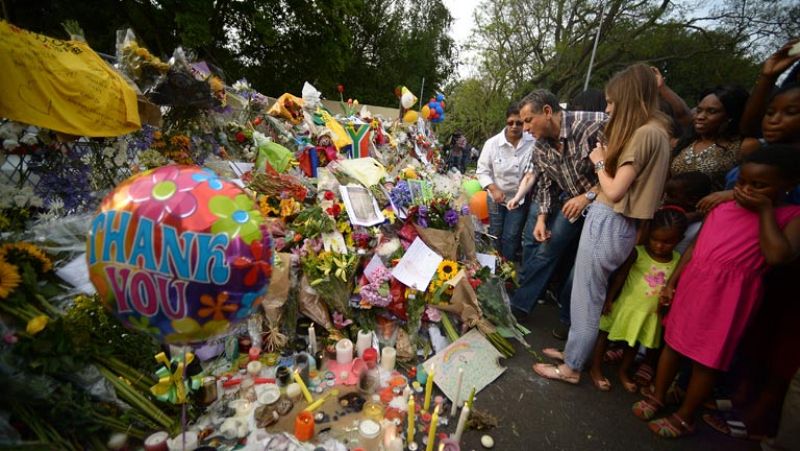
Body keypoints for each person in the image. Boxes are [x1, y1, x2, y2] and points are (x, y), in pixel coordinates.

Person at [632, 146, 800, 438]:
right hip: (694, 286)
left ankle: (685, 416)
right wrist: (672, 283)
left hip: (730, 298)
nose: (747, 190)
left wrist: (764, 212)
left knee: (707, 359)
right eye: (742, 182)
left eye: (759, 185)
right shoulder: (722, 209)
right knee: (673, 343)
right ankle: (658, 395)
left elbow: (778, 256)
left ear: (787, 185)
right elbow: (695, 249)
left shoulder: (790, 216)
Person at [532, 64, 672, 389]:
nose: (607, 110)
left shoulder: (643, 134)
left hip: (609, 221)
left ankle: (571, 366)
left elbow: (613, 189)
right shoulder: (658, 131)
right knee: (588, 296)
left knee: (586, 300)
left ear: (628, 98)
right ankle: (574, 354)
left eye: (611, 103)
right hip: (619, 225)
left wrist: (598, 160)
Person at [506, 90, 606, 318]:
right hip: (570, 207)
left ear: (548, 112)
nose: (526, 129)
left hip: (604, 205)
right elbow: (545, 185)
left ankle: (568, 320)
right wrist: (541, 219)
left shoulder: (593, 124)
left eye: (528, 121)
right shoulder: (540, 147)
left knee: (582, 266)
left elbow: (621, 167)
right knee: (546, 250)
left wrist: (588, 196)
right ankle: (519, 307)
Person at [587, 207, 687, 392]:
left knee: (633, 344)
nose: (659, 246)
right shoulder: (637, 253)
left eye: (667, 242)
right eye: (655, 239)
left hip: (648, 313)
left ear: (679, 240)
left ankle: (623, 372)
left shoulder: (677, 260)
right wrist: (609, 299)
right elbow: (620, 277)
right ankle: (596, 368)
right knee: (604, 337)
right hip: (624, 306)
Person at [476, 103, 535, 261]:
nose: (514, 126)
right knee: (495, 233)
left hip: (519, 199)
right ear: (506, 122)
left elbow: (531, 173)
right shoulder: (492, 144)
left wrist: (518, 197)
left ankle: (507, 266)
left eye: (519, 123)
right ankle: (494, 265)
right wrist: (493, 189)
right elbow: (482, 170)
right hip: (496, 197)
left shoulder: (532, 142)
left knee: (511, 236)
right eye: (510, 123)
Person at [670, 85, 749, 190]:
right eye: (699, 110)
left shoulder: (743, 146)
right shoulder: (684, 143)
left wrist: (729, 195)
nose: (700, 117)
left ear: (730, 116)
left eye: (711, 111)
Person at [662, 172, 712, 254]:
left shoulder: (701, 226)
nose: (666, 199)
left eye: (671, 196)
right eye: (666, 194)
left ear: (691, 200)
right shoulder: (665, 212)